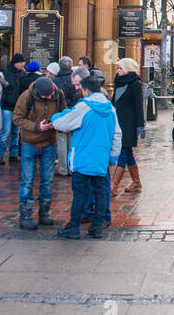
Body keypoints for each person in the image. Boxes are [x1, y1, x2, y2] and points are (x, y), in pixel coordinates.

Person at [53, 69, 119, 240]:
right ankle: (97, 227)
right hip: (101, 159)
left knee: (80, 194)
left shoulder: (84, 106)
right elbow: (117, 134)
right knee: (101, 192)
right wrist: (112, 156)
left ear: (87, 90)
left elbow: (64, 124)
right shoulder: (110, 109)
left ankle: (73, 227)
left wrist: (56, 117)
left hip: (82, 157)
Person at [13, 76, 61, 229]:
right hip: (29, 142)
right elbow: (17, 118)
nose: (48, 98)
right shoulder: (26, 96)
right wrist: (36, 126)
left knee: (47, 180)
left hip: (49, 142)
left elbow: (63, 112)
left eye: (49, 95)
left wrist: (56, 123)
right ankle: (25, 214)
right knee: (27, 180)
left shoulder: (58, 94)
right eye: (44, 96)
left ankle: (44, 212)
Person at [111, 57, 145, 195]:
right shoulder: (118, 83)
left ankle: (114, 186)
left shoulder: (135, 84)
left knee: (122, 152)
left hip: (129, 124)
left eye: (120, 68)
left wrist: (140, 126)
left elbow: (139, 106)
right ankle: (136, 182)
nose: (118, 71)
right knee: (128, 153)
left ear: (127, 69)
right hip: (118, 123)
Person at [0, 53, 27, 165]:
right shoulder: (5, 74)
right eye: (21, 62)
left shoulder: (23, 74)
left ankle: (13, 154)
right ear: (15, 63)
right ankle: (0, 155)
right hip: (7, 106)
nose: (23, 64)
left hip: (18, 108)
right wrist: (6, 99)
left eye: (23, 62)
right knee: (5, 131)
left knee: (16, 132)